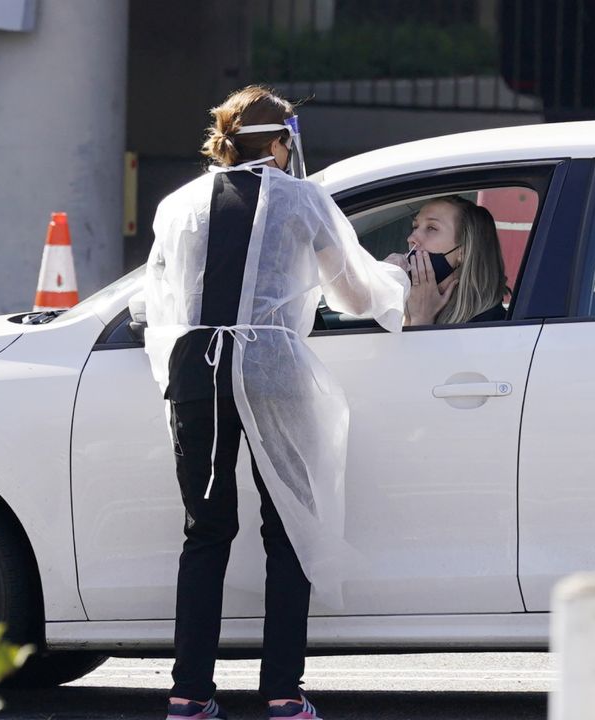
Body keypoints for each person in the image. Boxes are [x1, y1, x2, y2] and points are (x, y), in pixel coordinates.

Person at [142, 86, 408, 720]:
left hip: (196, 368)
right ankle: (283, 694)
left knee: (204, 530)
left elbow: (156, 297)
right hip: (272, 366)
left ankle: (189, 693)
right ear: (281, 142)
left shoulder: (178, 205)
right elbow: (353, 292)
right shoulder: (302, 199)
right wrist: (395, 277)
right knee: (288, 526)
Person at [383, 195, 508, 326]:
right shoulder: (412, 304)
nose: (411, 238)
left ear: (463, 252)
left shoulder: (488, 325)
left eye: (431, 228)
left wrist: (421, 319)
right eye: (415, 226)